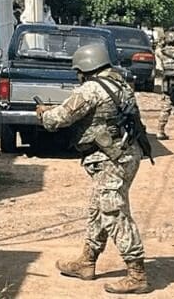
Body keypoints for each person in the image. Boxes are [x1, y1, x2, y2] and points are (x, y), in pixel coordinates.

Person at [37, 43, 152, 294]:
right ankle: (86, 262)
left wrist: (44, 114)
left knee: (113, 211)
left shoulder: (91, 89)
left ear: (85, 67)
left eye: (78, 71)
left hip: (111, 159)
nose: (78, 75)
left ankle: (137, 274)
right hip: (126, 154)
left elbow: (58, 119)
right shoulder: (120, 83)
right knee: (98, 208)